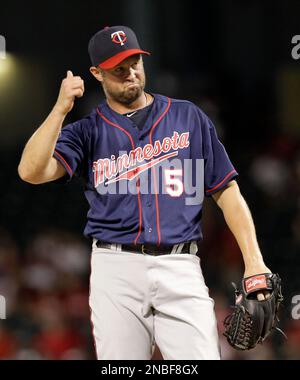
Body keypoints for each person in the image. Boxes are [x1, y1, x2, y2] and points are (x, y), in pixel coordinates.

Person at [18, 25, 273, 360]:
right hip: (115, 266)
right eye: (118, 69)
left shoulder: (188, 117)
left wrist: (254, 262)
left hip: (180, 263)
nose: (130, 74)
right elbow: (31, 171)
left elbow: (226, 190)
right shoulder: (87, 131)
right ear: (97, 72)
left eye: (135, 62)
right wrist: (60, 110)